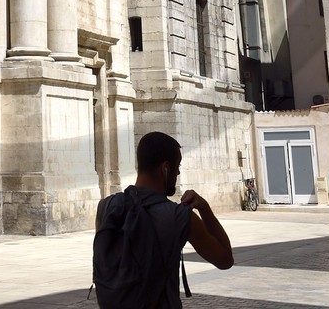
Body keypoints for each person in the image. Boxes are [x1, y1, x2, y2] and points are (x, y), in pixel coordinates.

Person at [92, 131, 232, 309]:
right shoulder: (180, 216)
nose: (178, 172)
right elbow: (225, 260)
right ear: (165, 168)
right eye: (178, 166)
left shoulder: (106, 207)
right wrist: (204, 209)